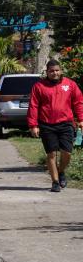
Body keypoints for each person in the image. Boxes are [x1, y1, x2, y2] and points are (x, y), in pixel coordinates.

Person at [27, 59, 83, 192]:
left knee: (67, 153)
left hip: (66, 124)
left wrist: (81, 119)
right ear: (47, 72)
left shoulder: (70, 84)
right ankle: (55, 182)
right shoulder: (39, 86)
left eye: (57, 70)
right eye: (51, 71)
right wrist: (33, 125)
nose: (55, 73)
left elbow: (78, 102)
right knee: (51, 153)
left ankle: (61, 171)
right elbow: (33, 106)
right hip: (47, 125)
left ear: (61, 71)